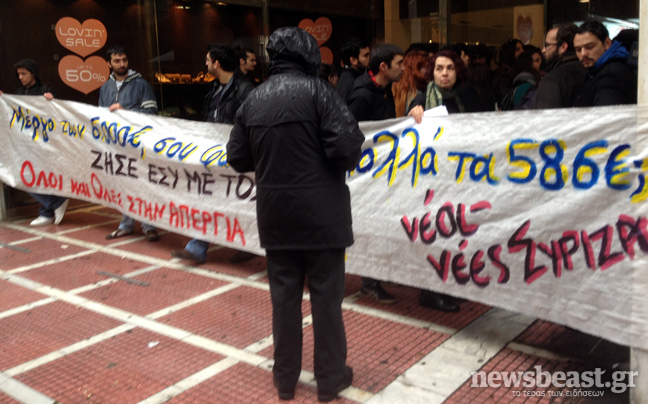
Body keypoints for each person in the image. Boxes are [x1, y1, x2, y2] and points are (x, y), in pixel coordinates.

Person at [227, 27, 364, 402]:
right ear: (309, 55)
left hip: (276, 216)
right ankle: (330, 379)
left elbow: (237, 157)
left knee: (284, 301)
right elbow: (347, 147)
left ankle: (285, 379)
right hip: (323, 218)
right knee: (326, 300)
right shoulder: (321, 93)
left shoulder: (253, 100)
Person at [347, 44, 423, 304]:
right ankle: (370, 281)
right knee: (369, 225)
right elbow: (350, 133)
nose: (404, 68)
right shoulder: (362, 96)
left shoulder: (383, 92)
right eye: (400, 63)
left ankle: (374, 276)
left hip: (380, 174)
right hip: (364, 176)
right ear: (383, 67)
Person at [171, 44, 254, 264]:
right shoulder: (213, 90)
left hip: (238, 156)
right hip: (216, 156)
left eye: (207, 60)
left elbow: (251, 123)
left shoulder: (244, 90)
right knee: (211, 197)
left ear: (216, 64)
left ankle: (253, 242)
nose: (205, 64)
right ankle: (197, 247)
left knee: (242, 202)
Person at [99, 45, 160, 241]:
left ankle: (149, 225)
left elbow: (151, 113)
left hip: (139, 145)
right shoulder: (104, 87)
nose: (122, 64)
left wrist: (126, 112)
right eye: (117, 61)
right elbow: (100, 117)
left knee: (143, 185)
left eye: (124, 60)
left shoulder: (141, 84)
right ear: (109, 63)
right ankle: (127, 224)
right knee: (124, 186)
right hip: (116, 145)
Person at [4, 59, 68, 226]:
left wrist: (51, 101)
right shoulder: (19, 92)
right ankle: (55, 203)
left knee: (44, 177)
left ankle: (47, 212)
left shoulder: (45, 90)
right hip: (26, 144)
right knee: (25, 177)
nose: (20, 77)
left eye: (24, 73)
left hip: (45, 143)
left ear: (33, 73)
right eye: (19, 74)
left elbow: (59, 111)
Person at [573, 20, 637, 107]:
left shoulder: (610, 76)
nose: (583, 54)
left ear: (607, 43)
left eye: (590, 47)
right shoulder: (596, 71)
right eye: (578, 50)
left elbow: (606, 117)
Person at [409, 49, 480, 115]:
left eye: (450, 68)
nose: (445, 73)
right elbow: (409, 126)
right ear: (432, 72)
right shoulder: (421, 102)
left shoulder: (464, 98)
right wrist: (412, 116)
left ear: (457, 72)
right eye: (439, 69)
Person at [535, 23, 587, 109]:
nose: (543, 50)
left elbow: (545, 118)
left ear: (563, 47)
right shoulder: (590, 71)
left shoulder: (553, 79)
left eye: (547, 45)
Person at [392, 50, 431, 117]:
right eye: (426, 67)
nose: (429, 70)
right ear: (415, 69)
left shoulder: (397, 87)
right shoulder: (416, 92)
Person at [337, 37, 370, 102]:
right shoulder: (349, 82)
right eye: (366, 56)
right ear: (353, 60)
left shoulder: (355, 77)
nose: (370, 58)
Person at [492, 38, 523, 107]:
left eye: (522, 48)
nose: (522, 51)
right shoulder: (504, 73)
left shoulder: (517, 70)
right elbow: (505, 97)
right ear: (510, 53)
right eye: (517, 50)